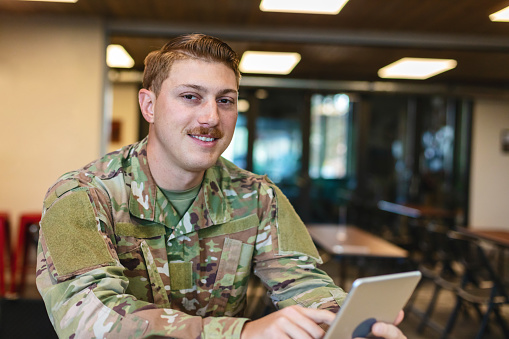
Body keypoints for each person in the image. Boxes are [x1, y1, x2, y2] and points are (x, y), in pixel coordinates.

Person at [36, 33, 407, 339]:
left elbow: (302, 281)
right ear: (149, 106)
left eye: (225, 100)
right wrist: (242, 334)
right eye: (190, 96)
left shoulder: (257, 196)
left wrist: (343, 320)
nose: (211, 117)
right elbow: (88, 317)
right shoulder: (83, 196)